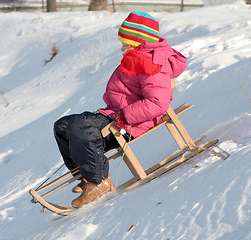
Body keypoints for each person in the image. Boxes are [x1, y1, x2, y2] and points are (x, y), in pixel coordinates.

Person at [53, 11, 187, 208]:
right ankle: (84, 175)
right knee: (63, 125)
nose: (122, 48)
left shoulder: (153, 64)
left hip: (129, 123)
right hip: (115, 116)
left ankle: (98, 181)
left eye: (126, 44)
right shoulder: (138, 58)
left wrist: (125, 116)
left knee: (80, 127)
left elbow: (158, 103)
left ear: (140, 42)